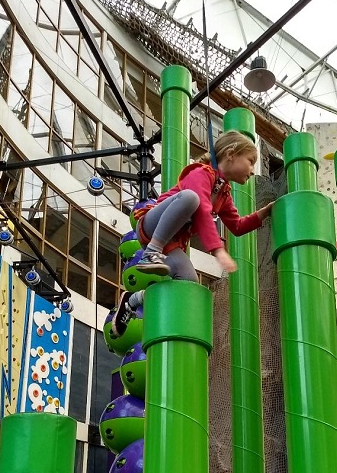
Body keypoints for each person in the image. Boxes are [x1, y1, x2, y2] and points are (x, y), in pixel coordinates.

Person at [111, 130, 274, 336]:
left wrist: (264, 213)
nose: (252, 170)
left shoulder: (223, 193)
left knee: (188, 284)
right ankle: (151, 252)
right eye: (251, 161)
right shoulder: (200, 174)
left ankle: (134, 300)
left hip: (171, 245)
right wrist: (218, 250)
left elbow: (237, 226)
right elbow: (203, 212)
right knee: (190, 198)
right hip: (151, 226)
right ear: (231, 153)